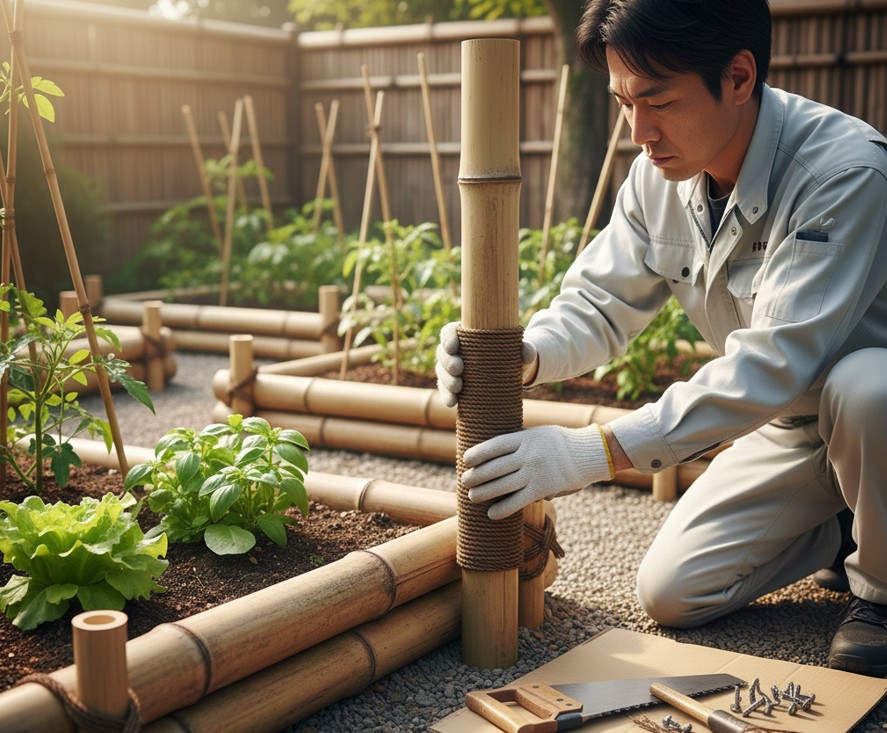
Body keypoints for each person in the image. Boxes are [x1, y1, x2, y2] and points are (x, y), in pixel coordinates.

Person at [435, 0, 887, 677]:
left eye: (658, 101)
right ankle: (849, 521)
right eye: (623, 103)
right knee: (672, 592)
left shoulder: (842, 172)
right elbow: (597, 303)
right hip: (795, 428)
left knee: (867, 388)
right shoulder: (659, 177)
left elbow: (773, 364)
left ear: (738, 77)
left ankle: (878, 593)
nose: (639, 132)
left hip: (869, 412)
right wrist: (519, 358)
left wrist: (593, 451)